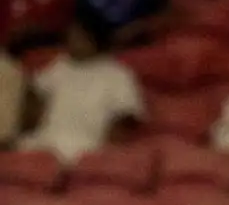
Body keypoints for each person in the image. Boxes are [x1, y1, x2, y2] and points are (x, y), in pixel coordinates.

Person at [16, 11, 144, 163]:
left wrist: (108, 152)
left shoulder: (118, 74)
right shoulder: (59, 65)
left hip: (87, 149)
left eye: (78, 37)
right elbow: (35, 97)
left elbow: (126, 118)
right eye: (70, 36)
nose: (71, 41)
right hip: (43, 143)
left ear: (95, 40)